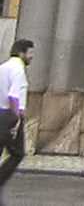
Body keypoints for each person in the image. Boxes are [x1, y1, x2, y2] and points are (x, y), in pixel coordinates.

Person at [0, 39, 33, 202]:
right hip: (10, 116)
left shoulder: (3, 67)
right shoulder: (18, 69)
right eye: (30, 53)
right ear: (21, 53)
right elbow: (13, 96)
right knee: (17, 153)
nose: (31, 56)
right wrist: (16, 117)